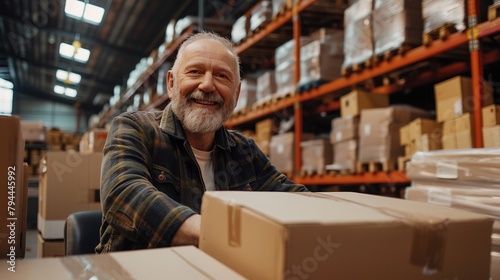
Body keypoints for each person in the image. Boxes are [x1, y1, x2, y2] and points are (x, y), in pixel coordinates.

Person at [95, 31, 308, 253]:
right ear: (171, 83)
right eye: (195, 72)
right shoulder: (135, 129)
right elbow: (124, 193)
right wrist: (215, 233)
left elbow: (293, 198)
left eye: (222, 76)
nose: (207, 85)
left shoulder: (245, 151)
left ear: (236, 94)